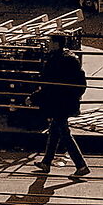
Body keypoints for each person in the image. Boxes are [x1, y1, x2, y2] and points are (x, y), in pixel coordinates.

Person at [31, 32, 90, 186]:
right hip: (68, 101)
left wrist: (34, 97)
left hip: (58, 102)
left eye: (50, 42)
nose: (48, 44)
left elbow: (48, 85)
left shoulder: (54, 61)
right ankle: (46, 162)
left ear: (56, 44)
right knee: (55, 130)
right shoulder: (71, 58)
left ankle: (81, 165)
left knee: (64, 133)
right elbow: (81, 82)